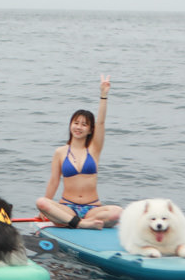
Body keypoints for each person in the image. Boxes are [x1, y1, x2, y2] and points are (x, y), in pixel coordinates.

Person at [35, 75, 122, 228]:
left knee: (118, 212)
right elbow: (54, 181)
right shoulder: (60, 152)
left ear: (90, 130)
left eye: (84, 125)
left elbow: (101, 122)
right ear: (70, 126)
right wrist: (44, 211)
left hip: (93, 209)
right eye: (76, 123)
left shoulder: (94, 149)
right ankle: (82, 224)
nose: (78, 127)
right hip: (67, 209)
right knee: (41, 202)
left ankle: (80, 223)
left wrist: (104, 95)